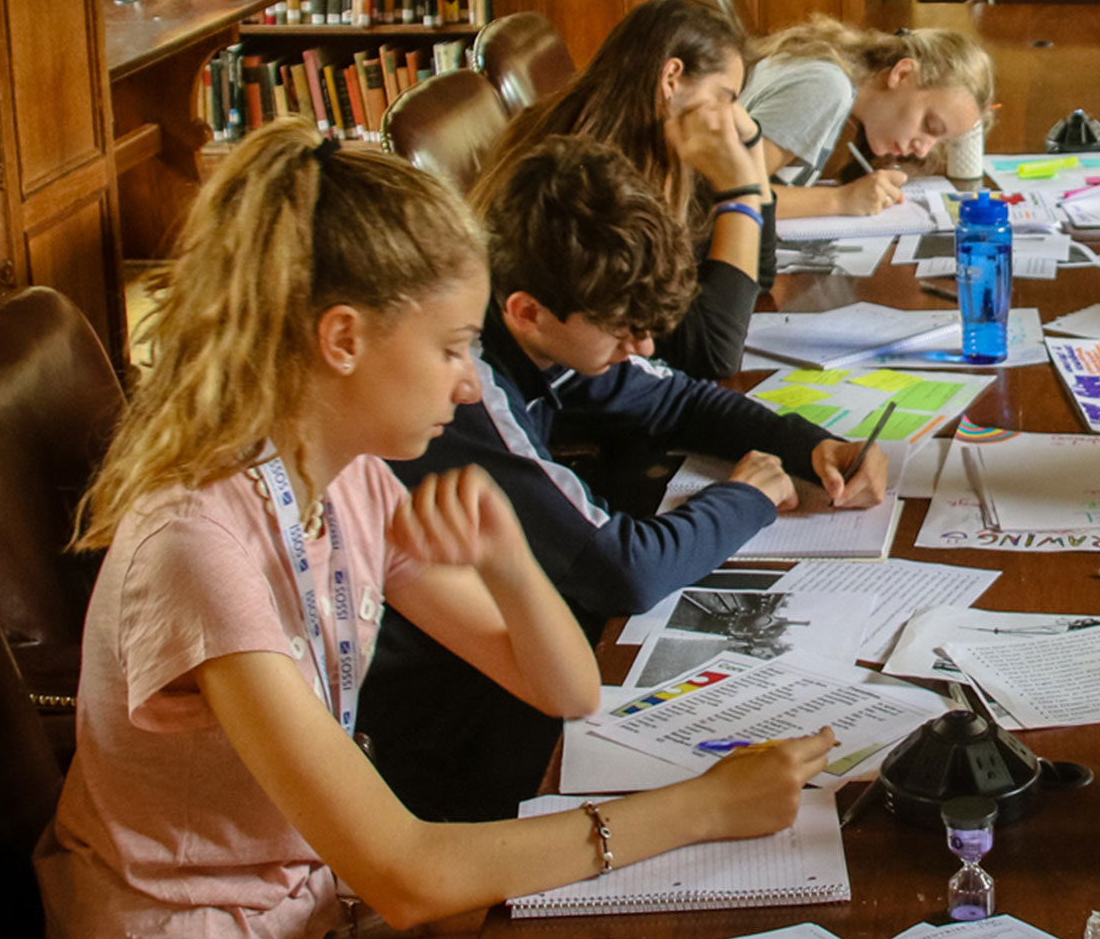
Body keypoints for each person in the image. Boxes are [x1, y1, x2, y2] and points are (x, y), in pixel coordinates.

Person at [35, 119, 832, 939]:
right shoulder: (197, 543)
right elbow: (407, 868)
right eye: (453, 347)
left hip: (312, 928)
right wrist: (692, 809)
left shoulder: (346, 474)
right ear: (343, 339)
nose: (470, 385)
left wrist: (506, 554)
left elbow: (560, 688)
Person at [358, 139, 889, 824]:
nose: (640, 348)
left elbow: (679, 398)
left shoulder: (562, 324)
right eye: (621, 332)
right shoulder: (462, 393)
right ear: (527, 312)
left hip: (514, 670)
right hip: (451, 725)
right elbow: (621, 570)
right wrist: (748, 499)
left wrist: (809, 444)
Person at [484, 0, 770, 379]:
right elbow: (712, 355)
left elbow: (759, 279)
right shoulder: (596, 184)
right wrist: (740, 190)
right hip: (583, 397)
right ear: (672, 78)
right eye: (726, 97)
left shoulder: (659, 153)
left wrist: (751, 144)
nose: (729, 116)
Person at [745, 17, 998, 220]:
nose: (922, 150)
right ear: (902, 74)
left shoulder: (837, 81)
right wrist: (840, 200)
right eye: (929, 126)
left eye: (939, 141)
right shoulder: (827, 87)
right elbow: (728, 196)